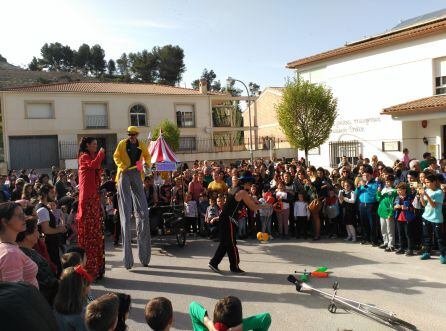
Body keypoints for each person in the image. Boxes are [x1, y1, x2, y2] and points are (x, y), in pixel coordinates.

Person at [209, 171, 269, 274]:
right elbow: (252, 207)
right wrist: (265, 206)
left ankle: (214, 263)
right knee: (231, 243)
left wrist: (258, 201)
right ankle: (234, 267)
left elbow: (250, 200)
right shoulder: (242, 192)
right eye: (251, 183)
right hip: (229, 219)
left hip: (225, 218)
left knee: (225, 243)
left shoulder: (235, 188)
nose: (251, 185)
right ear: (247, 182)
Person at [113, 126, 151, 270]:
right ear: (128, 135)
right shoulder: (122, 144)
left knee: (143, 214)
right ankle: (128, 259)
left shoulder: (141, 144)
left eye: (134, 134)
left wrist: (146, 165)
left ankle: (144, 256)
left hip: (136, 173)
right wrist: (122, 166)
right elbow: (116, 156)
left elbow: (147, 156)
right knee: (126, 213)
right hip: (124, 173)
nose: (133, 137)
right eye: (131, 135)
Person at [77, 137, 106, 279]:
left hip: (93, 198)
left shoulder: (92, 156)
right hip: (87, 199)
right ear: (87, 145)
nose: (96, 146)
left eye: (97, 144)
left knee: (96, 234)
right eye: (94, 144)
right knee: (90, 235)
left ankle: (97, 267)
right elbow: (94, 165)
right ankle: (89, 269)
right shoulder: (84, 157)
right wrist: (101, 153)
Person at [16, 217, 58, 304]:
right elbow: (45, 282)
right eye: (36, 230)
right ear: (27, 235)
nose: (38, 233)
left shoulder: (26, 251)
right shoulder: (26, 256)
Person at [0, 202, 38, 287]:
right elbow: (15, 294)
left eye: (24, 214)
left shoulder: (8, 248)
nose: (25, 218)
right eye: (20, 216)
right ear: (4, 222)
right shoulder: (10, 254)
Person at [189, 296, 271, 331]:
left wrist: (209, 324)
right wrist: (241, 327)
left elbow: (193, 306)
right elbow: (266, 318)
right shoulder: (240, 328)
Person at [36, 184, 67, 276]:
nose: (54, 194)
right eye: (52, 192)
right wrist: (60, 229)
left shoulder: (44, 208)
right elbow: (46, 230)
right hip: (49, 246)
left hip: (50, 244)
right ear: (45, 194)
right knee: (55, 269)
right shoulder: (42, 209)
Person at [54, 266, 92, 331]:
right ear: (81, 289)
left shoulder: (57, 306)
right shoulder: (81, 316)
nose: (90, 288)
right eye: (88, 285)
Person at [418, 174, 446, 263]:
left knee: (439, 238)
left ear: (434, 182)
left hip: (436, 218)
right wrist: (421, 196)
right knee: (427, 236)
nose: (426, 184)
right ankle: (427, 252)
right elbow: (424, 204)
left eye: (428, 182)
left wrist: (425, 194)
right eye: (425, 182)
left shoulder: (439, 192)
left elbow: (434, 205)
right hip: (426, 217)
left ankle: (443, 255)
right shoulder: (427, 190)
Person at [356, 165, 380, 246]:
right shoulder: (361, 183)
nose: (365, 176)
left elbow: (374, 193)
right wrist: (358, 188)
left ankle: (374, 240)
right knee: (363, 223)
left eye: (367, 175)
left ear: (371, 175)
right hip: (362, 204)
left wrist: (365, 186)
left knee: (372, 223)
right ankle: (366, 238)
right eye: (364, 175)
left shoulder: (375, 183)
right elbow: (356, 193)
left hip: (371, 205)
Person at [394, 182, 416, 256]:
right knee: (400, 234)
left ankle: (410, 249)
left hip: (407, 218)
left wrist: (407, 208)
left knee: (408, 234)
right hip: (399, 218)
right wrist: (395, 207)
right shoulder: (397, 197)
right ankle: (401, 248)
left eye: (400, 190)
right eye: (397, 190)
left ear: (405, 190)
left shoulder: (410, 197)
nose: (399, 192)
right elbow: (394, 206)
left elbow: (414, 208)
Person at [376, 175, 397, 251]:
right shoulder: (383, 189)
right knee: (383, 229)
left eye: (388, 182)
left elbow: (393, 203)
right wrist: (378, 192)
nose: (387, 183)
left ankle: (391, 245)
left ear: (392, 182)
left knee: (390, 230)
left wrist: (391, 213)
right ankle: (385, 242)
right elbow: (378, 199)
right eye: (386, 181)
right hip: (382, 212)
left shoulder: (394, 191)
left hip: (388, 213)